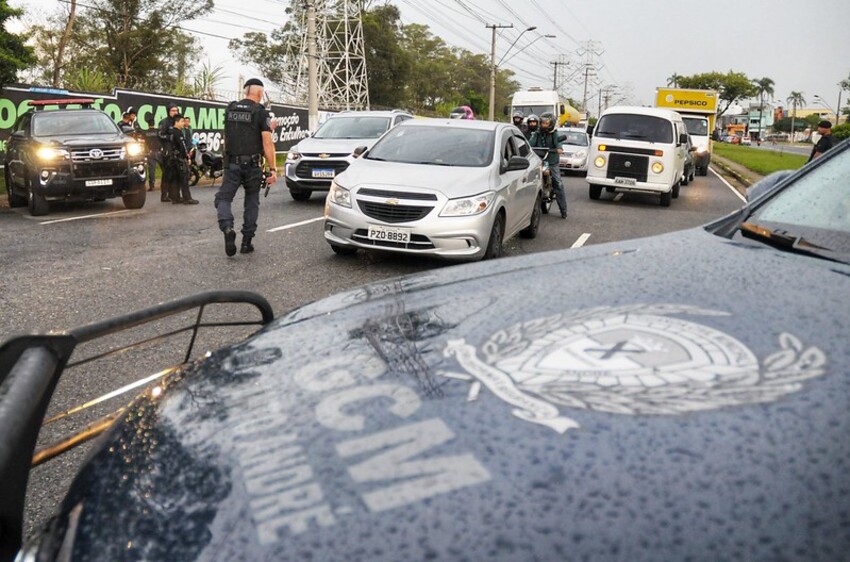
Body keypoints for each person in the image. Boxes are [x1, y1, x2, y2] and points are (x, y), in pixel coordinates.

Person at [214, 77, 277, 256]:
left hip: (232, 164)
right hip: (252, 165)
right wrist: (273, 169)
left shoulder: (231, 108)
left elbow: (227, 137)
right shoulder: (261, 112)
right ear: (260, 93)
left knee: (223, 199)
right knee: (251, 201)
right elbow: (267, 142)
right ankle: (246, 243)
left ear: (245, 91)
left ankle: (227, 227)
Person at [530, 112, 567, 219]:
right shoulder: (537, 133)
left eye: (546, 123)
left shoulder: (554, 133)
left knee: (558, 182)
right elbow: (531, 143)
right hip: (539, 160)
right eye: (542, 123)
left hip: (552, 161)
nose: (543, 125)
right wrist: (528, 147)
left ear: (551, 124)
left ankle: (563, 210)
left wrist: (559, 149)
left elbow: (558, 142)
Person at [162, 113, 199, 205]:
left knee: (175, 179)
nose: (183, 123)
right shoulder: (178, 133)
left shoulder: (170, 132)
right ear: (177, 122)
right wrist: (187, 157)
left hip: (171, 159)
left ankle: (176, 198)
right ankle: (187, 198)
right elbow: (183, 146)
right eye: (182, 121)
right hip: (179, 159)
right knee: (183, 179)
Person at [158, 103, 180, 202]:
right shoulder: (164, 122)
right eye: (173, 110)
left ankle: (173, 195)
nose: (175, 112)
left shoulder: (178, 122)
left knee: (175, 174)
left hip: (176, 152)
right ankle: (164, 195)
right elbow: (160, 135)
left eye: (176, 110)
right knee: (167, 174)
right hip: (167, 152)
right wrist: (169, 137)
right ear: (168, 111)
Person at [143, 115, 162, 192]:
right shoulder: (158, 132)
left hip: (150, 152)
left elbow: (144, 143)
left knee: (151, 169)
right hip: (159, 151)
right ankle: (166, 183)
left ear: (148, 124)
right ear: (154, 124)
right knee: (164, 168)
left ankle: (152, 185)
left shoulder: (146, 133)